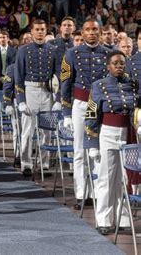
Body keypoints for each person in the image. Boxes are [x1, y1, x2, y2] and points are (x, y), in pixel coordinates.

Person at [84, 51, 139, 235]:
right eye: (115, 63)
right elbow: (91, 115)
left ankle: (123, 217)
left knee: (124, 177)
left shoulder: (133, 84)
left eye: (122, 63)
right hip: (107, 133)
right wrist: (91, 142)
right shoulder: (98, 86)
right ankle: (104, 220)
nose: (119, 66)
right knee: (106, 178)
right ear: (108, 66)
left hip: (127, 133)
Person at [60, 19, 111, 210]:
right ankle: (82, 194)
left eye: (95, 30)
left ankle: (98, 193)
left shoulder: (108, 53)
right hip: (81, 104)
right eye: (88, 30)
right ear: (82, 32)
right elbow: (65, 83)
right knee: (80, 151)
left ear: (100, 31)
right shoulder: (71, 54)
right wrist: (66, 112)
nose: (91, 33)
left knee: (98, 151)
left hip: (100, 106)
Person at [14, 19, 57, 177]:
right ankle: (26, 163)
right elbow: (18, 77)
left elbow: (57, 75)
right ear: (31, 32)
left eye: (42, 29)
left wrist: (57, 99)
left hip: (47, 92)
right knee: (27, 131)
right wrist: (21, 100)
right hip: (30, 90)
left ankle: (44, 163)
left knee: (47, 132)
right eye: (37, 29)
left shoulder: (53, 50)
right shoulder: (23, 50)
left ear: (46, 31)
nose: (40, 32)